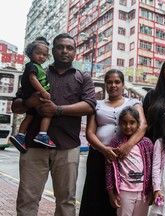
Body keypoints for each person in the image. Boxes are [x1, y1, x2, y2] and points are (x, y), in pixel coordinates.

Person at [11, 33, 97, 216]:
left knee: (66, 201)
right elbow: (15, 106)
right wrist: (29, 103)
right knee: (27, 199)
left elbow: (90, 105)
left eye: (69, 48)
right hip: (33, 147)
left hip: (67, 147)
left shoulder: (83, 77)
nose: (64, 51)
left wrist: (57, 109)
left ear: (75, 52)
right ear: (52, 51)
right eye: (60, 47)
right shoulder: (36, 72)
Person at [79, 69, 147, 216]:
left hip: (125, 158)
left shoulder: (133, 102)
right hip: (98, 155)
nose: (113, 85)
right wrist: (104, 149)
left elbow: (143, 126)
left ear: (123, 84)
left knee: (119, 198)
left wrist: (127, 147)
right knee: (95, 197)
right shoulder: (96, 104)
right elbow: (90, 133)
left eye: (117, 82)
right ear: (105, 85)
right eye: (109, 82)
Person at [105, 106, 153, 216]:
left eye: (132, 122)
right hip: (124, 191)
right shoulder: (115, 142)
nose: (128, 126)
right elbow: (109, 169)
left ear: (138, 124)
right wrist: (111, 192)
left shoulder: (147, 143)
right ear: (119, 124)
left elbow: (152, 168)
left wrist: (152, 189)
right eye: (124, 123)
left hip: (143, 192)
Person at [10, 37, 55, 153]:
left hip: (31, 95)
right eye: (38, 53)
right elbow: (32, 78)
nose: (41, 56)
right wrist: (44, 92)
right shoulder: (32, 66)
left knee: (29, 116)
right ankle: (42, 135)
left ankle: (20, 135)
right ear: (30, 54)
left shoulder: (37, 67)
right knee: (48, 113)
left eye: (44, 55)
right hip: (35, 95)